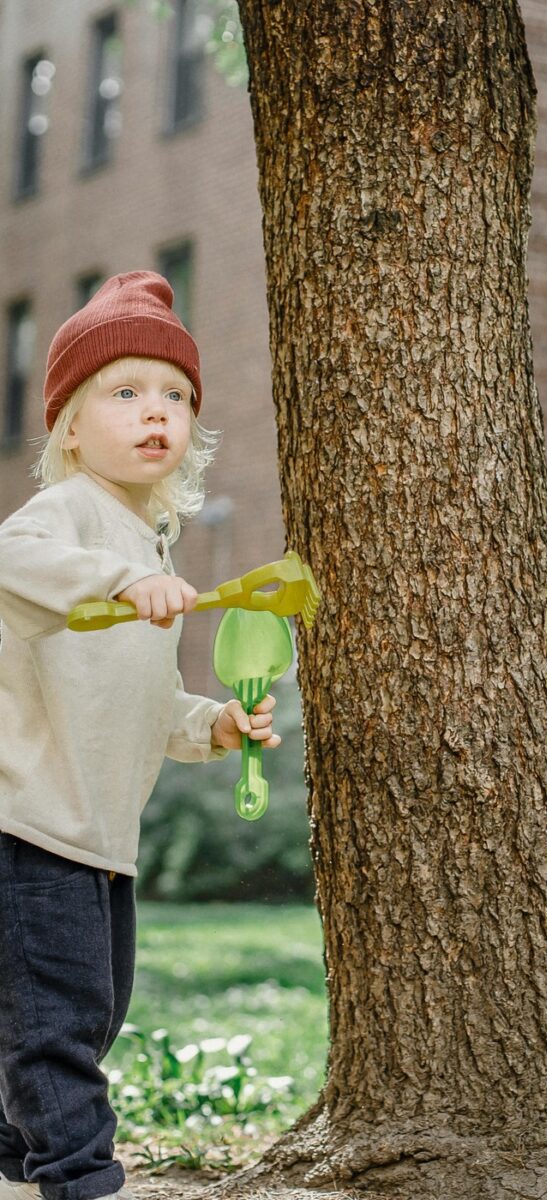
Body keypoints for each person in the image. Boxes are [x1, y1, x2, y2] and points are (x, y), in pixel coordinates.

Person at [0, 272, 282, 1200]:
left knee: (91, 1009)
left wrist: (217, 725)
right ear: (71, 428)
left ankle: (11, 1142)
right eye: (125, 392)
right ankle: (81, 1178)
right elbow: (15, 560)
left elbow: (148, 700)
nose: (154, 412)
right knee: (60, 1022)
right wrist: (116, 585)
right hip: (29, 824)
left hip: (97, 835)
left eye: (174, 397)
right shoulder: (69, 515)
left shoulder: (148, 540)